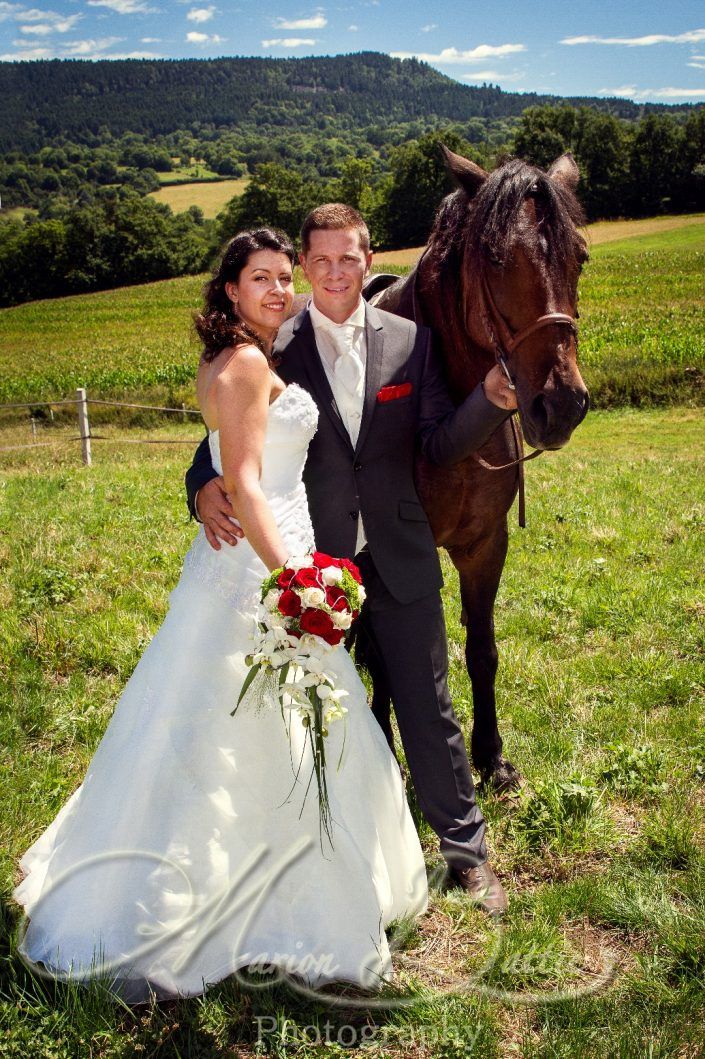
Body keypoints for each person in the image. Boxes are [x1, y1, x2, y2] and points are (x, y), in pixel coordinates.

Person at [13, 228, 429, 1003]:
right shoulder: (243, 362)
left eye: (283, 276)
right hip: (260, 565)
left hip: (247, 557)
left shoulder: (239, 356)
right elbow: (241, 478)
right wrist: (297, 582)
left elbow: (231, 458)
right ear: (230, 290)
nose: (278, 290)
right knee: (253, 726)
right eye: (260, 278)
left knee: (226, 722)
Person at [186, 205, 518, 916]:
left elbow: (433, 443)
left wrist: (487, 403)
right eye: (322, 261)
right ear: (306, 267)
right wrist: (197, 485)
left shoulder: (410, 342)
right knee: (321, 713)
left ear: (370, 261)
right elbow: (229, 428)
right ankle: (340, 851)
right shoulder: (275, 339)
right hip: (311, 559)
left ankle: (466, 855)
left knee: (429, 708)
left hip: (397, 552)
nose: (336, 272)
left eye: (350, 258)